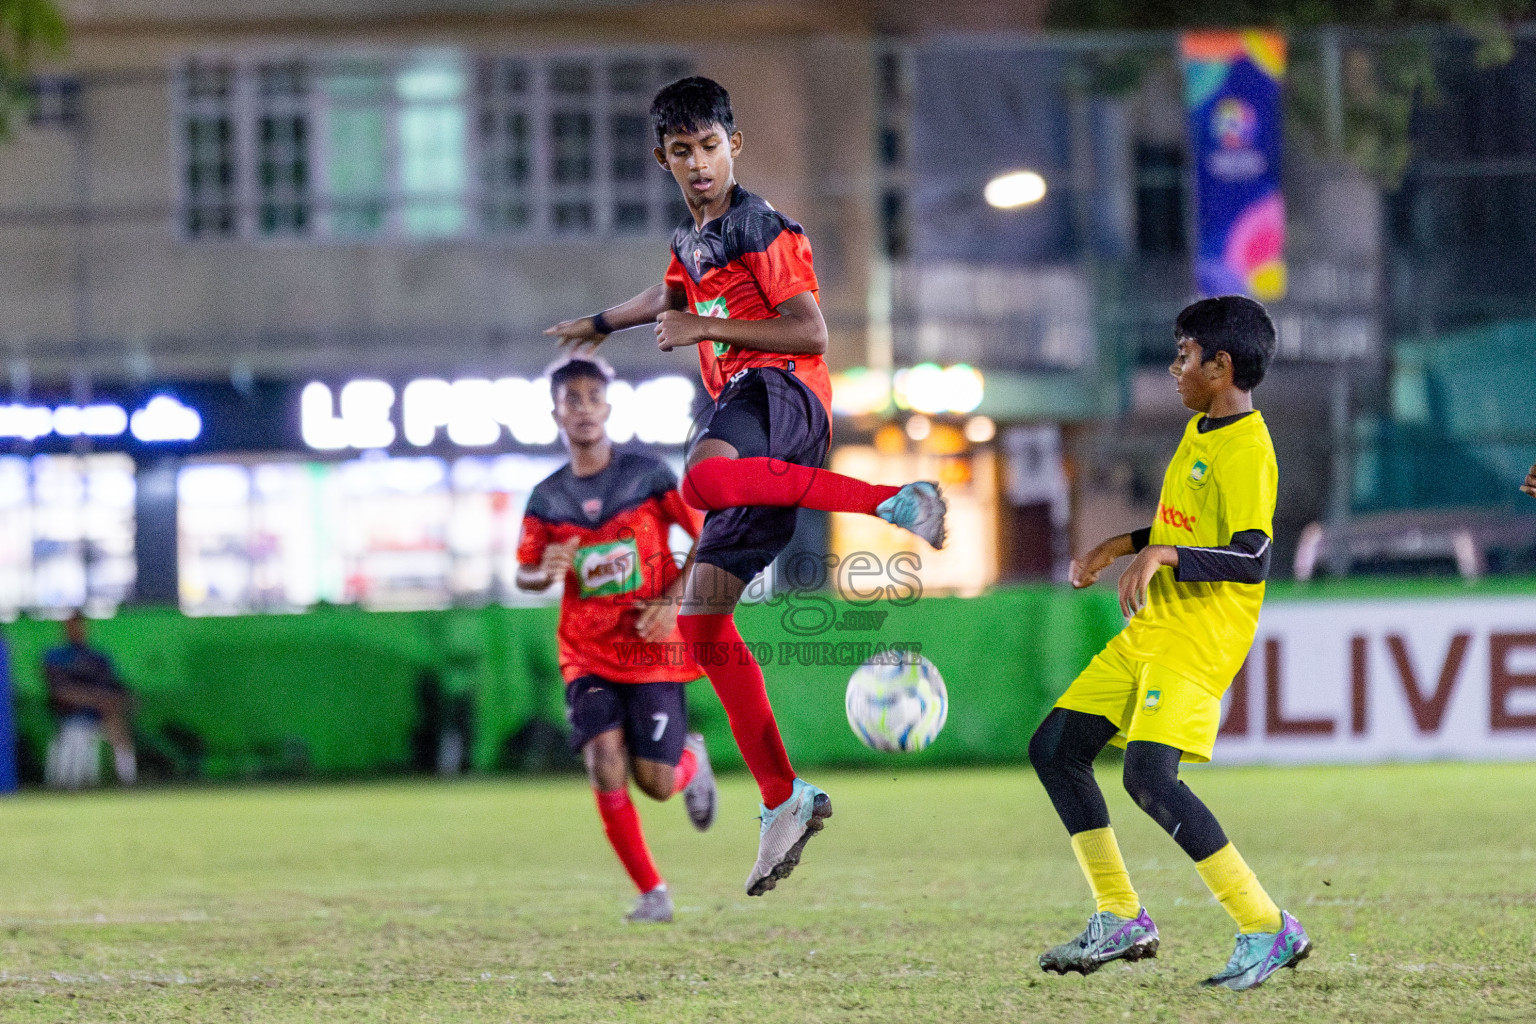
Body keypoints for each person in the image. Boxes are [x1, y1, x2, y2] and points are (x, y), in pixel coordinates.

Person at [545, 76, 947, 896]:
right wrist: (602, 323)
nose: (700, 164)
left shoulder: (758, 224)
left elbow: (810, 330)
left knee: (700, 478)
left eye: (712, 146)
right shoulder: (694, 239)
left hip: (782, 391)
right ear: (664, 158)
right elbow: (666, 293)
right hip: (747, 404)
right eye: (684, 151)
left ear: (736, 145)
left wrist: (705, 327)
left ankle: (891, 501)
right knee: (699, 620)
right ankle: (783, 798)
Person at [1027, 295, 1310, 991]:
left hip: (1198, 637)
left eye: (1184, 356)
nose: (1175, 367)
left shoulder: (1248, 447)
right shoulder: (1201, 432)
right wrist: (1114, 547)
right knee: (1056, 749)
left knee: (1150, 778)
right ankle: (1120, 916)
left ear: (1221, 367)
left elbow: (1252, 556)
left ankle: (1266, 924)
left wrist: (1166, 559)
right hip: (1153, 630)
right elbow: (1178, 531)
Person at [516, 355, 717, 924]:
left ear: (608, 406)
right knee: (604, 760)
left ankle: (689, 760)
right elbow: (526, 572)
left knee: (655, 783)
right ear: (555, 411)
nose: (582, 408)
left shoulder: (648, 476)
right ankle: (653, 891)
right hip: (586, 653)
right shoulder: (547, 498)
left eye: (592, 397)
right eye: (571, 399)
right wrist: (545, 568)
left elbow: (706, 537)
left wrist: (672, 597)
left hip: (650, 648)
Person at [43, 611, 136, 786]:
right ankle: (68, 785)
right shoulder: (55, 656)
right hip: (71, 715)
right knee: (78, 731)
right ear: (65, 628)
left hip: (100, 714)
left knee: (117, 725)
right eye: (72, 626)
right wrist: (95, 699)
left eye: (80, 625)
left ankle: (128, 781)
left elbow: (114, 686)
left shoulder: (98, 657)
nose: (77, 630)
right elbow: (60, 691)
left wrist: (119, 700)